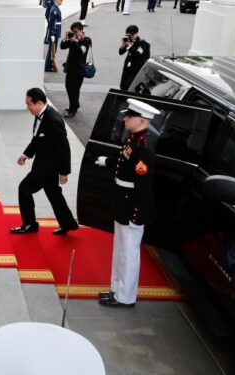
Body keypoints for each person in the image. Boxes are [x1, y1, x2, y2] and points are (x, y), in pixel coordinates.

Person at [95, 98, 159, 308]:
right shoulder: (134, 139)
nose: (125, 119)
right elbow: (126, 163)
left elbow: (143, 186)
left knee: (129, 254)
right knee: (119, 250)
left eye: (129, 116)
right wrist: (108, 161)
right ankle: (116, 290)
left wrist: (137, 213)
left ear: (141, 120)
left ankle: (125, 297)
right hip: (123, 203)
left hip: (131, 206)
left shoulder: (143, 147)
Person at [11, 88, 79, 236]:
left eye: (29, 104)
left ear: (39, 103)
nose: (27, 108)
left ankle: (30, 224)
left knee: (24, 189)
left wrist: (64, 172)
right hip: (43, 163)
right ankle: (68, 224)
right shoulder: (40, 114)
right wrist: (26, 154)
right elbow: (37, 138)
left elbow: (63, 148)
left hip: (47, 167)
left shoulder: (53, 120)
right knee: (54, 194)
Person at [60, 21, 91, 118]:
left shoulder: (86, 40)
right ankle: (75, 104)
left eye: (76, 31)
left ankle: (72, 110)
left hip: (79, 70)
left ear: (81, 30)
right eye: (72, 31)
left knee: (74, 90)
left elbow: (80, 52)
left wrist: (74, 41)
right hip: (70, 68)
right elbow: (62, 47)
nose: (74, 33)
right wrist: (65, 38)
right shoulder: (73, 39)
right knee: (68, 87)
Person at [119, 25, 150, 91]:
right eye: (128, 35)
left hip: (136, 68)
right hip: (127, 67)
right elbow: (120, 52)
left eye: (131, 35)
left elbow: (138, 53)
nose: (130, 37)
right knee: (122, 85)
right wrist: (123, 45)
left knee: (128, 86)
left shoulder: (143, 43)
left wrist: (129, 46)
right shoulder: (128, 41)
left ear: (136, 33)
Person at [44, 0, 61, 73]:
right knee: (52, 50)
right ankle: (48, 66)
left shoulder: (56, 8)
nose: (61, 2)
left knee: (53, 50)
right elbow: (51, 23)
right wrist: (52, 34)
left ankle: (50, 64)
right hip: (54, 33)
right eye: (60, 0)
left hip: (56, 32)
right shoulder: (54, 10)